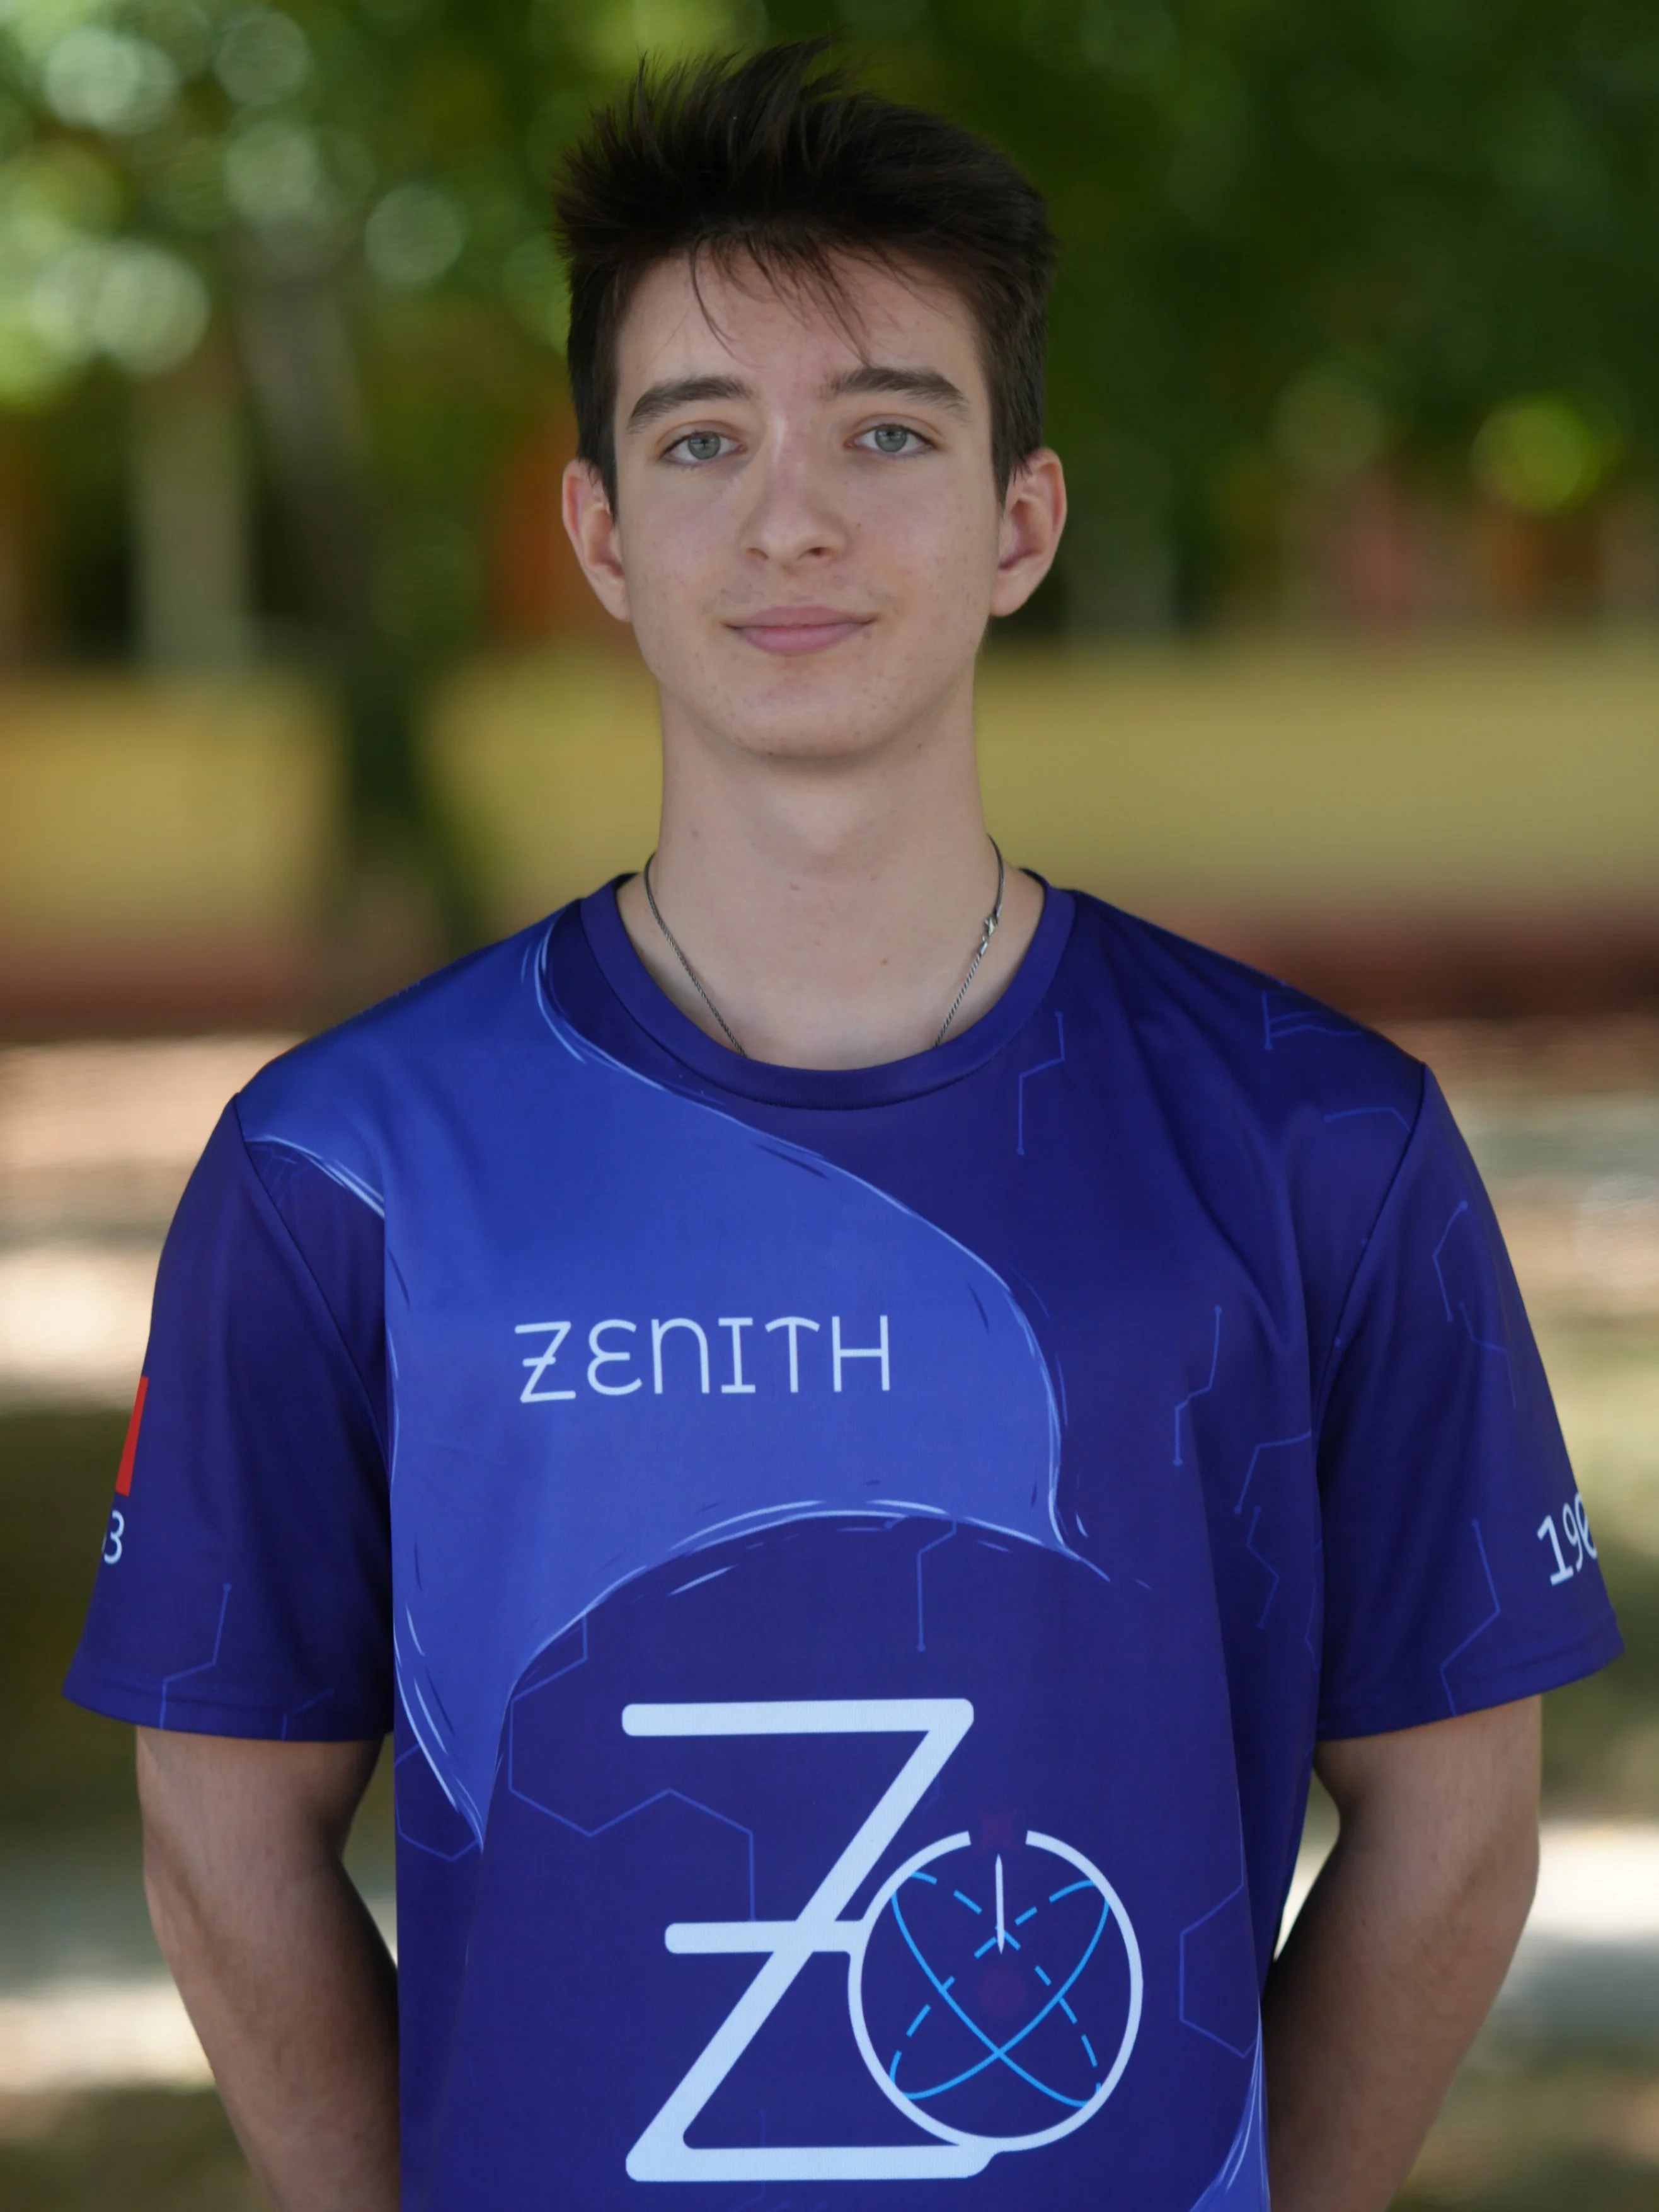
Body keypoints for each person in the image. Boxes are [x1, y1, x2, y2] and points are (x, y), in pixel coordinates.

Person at [67, 42, 1619, 2212]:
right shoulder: (344, 1169)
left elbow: (1456, 1822)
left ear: (1022, 522)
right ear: (602, 533)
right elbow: (221, 1828)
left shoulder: (1321, 1144)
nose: (790, 517)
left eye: (887, 430)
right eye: (702, 439)